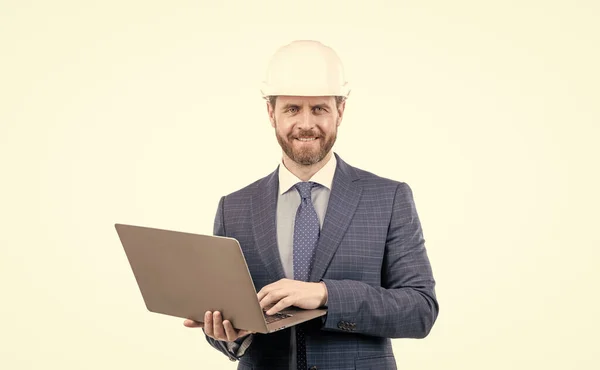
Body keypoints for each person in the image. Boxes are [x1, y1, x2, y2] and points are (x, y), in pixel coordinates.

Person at [183, 40, 439, 370]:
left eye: (319, 108)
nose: (306, 124)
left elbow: (420, 310)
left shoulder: (388, 198)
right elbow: (226, 322)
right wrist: (228, 333)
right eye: (292, 109)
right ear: (271, 112)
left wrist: (325, 295)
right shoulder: (233, 208)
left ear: (340, 111)